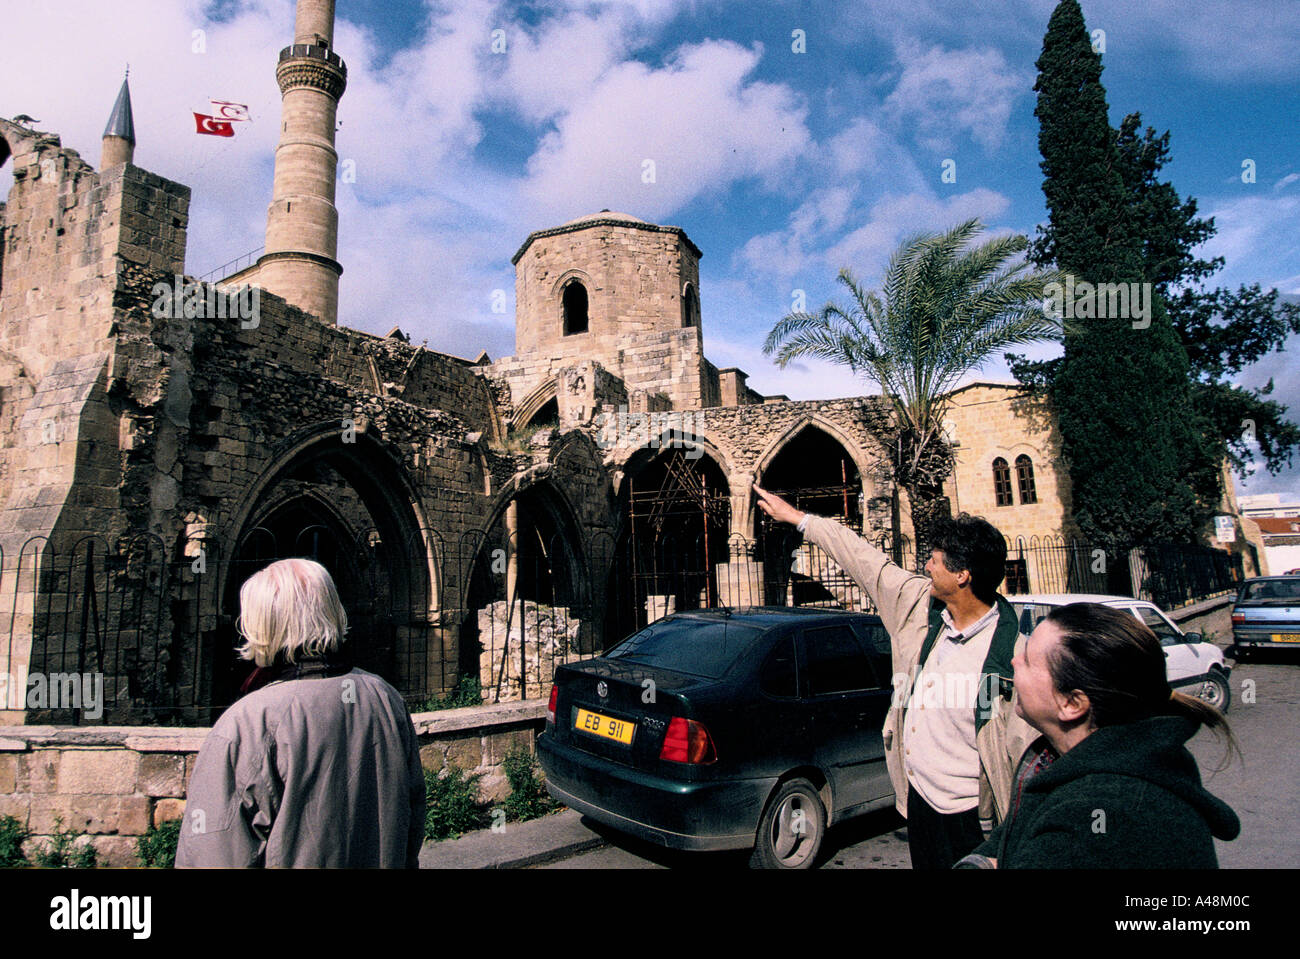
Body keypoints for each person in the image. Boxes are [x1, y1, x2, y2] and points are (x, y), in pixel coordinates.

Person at [754, 484, 1034, 870]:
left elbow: (1028, 762)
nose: (928, 567)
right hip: (919, 804)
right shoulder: (920, 607)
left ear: (963, 575)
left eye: (935, 561)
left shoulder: (1016, 659)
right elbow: (864, 560)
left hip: (975, 822)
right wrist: (800, 520)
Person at [175, 558, 426, 868]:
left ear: (261, 623)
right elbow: (411, 824)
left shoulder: (247, 723)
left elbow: (214, 856)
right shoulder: (385, 699)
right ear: (332, 610)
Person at [956, 602, 1240, 868]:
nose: (1015, 661)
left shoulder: (1089, 817)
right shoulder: (1066, 762)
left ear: (1072, 704)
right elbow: (1004, 843)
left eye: (1029, 659)